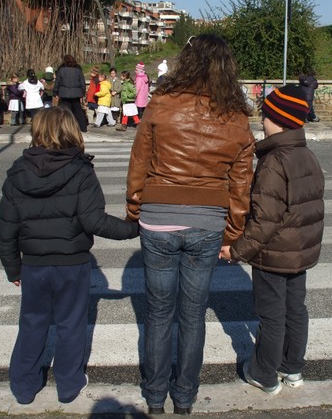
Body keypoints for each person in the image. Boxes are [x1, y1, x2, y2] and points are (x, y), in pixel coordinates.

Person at [125, 33, 255, 415]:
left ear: (187, 61)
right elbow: (240, 185)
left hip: (158, 217)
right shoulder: (236, 116)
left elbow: (139, 163)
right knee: (193, 314)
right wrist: (232, 234)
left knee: (158, 312)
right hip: (208, 223)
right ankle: (184, 398)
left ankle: (154, 398)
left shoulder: (162, 103)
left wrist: (136, 211)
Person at [0, 106, 139, 405]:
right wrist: (134, 229)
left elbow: (6, 229)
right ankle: (69, 384)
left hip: (33, 264)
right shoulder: (80, 170)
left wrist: (13, 269)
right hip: (72, 264)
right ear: (71, 131)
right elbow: (94, 221)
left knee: (32, 323)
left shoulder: (17, 172)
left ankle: (24, 386)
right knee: (71, 323)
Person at [220, 84, 325, 396]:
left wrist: (236, 251)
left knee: (272, 315)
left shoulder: (274, 161)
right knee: (295, 309)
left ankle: (264, 373)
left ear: (278, 120)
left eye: (265, 116)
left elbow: (264, 220)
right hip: (299, 253)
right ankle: (292, 367)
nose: (262, 122)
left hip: (273, 253)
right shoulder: (307, 155)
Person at [54, 54, 88, 132]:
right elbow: (82, 82)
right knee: (78, 111)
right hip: (76, 94)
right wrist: (83, 93)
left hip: (64, 93)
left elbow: (57, 82)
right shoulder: (78, 69)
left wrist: (55, 92)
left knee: (64, 112)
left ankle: (64, 128)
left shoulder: (61, 69)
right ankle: (83, 127)